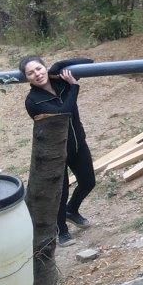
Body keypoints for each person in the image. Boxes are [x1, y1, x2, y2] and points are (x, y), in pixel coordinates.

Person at [22, 55, 96, 246]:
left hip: (77, 143)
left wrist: (58, 66)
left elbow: (86, 63)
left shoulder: (60, 82)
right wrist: (75, 87)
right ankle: (61, 230)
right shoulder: (33, 101)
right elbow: (64, 113)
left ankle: (72, 210)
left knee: (88, 182)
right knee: (60, 193)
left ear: (45, 67)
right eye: (30, 73)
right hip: (55, 152)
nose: (37, 74)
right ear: (26, 78)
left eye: (39, 69)